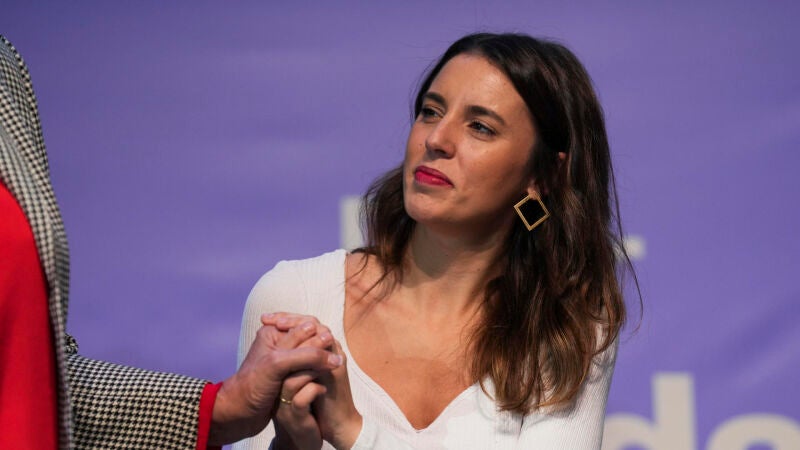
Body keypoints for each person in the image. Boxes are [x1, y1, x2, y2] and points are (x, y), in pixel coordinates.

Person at [236, 32, 636, 449]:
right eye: (430, 112)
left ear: (544, 175)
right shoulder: (296, 299)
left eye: (480, 127)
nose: (436, 139)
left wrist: (353, 432)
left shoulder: (565, 327)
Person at [0, 34, 343, 449]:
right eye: (420, 114)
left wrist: (220, 407)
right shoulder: (292, 289)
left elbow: (40, 372)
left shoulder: (6, 68)